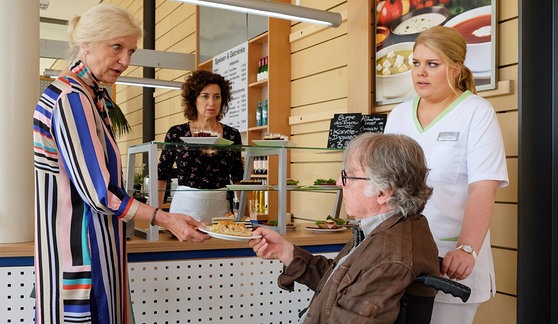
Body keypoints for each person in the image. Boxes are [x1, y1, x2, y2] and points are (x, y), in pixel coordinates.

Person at [32, 4, 210, 323]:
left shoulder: (90, 96)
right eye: (117, 47)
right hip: (84, 264)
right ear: (86, 44)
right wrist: (165, 219)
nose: (126, 61)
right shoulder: (72, 98)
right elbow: (100, 194)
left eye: (130, 50)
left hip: (93, 256)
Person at [384, 25, 509, 324]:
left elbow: (483, 187)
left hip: (449, 260)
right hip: (399, 258)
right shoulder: (398, 114)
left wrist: (466, 248)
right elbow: (385, 183)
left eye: (432, 64)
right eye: (416, 63)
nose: (420, 72)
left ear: (455, 68)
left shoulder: (477, 112)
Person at [249, 133, 439, 323]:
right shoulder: (386, 229)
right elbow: (340, 286)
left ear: (382, 192)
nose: (339, 183)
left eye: (347, 176)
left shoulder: (389, 258)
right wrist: (286, 252)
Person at [157, 70, 244, 224]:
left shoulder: (232, 135)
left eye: (217, 97)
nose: (211, 102)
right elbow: (162, 175)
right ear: (194, 99)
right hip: (184, 210)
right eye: (205, 96)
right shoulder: (176, 133)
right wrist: (156, 217)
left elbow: (238, 177)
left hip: (221, 211)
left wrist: (244, 217)